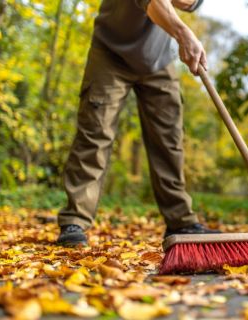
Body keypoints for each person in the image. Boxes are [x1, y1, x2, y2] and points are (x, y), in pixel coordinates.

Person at [57, 0, 220, 247]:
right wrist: (184, 33)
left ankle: (181, 221)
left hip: (159, 59)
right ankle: (75, 220)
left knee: (170, 140)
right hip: (111, 51)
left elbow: (190, 3)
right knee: (95, 133)